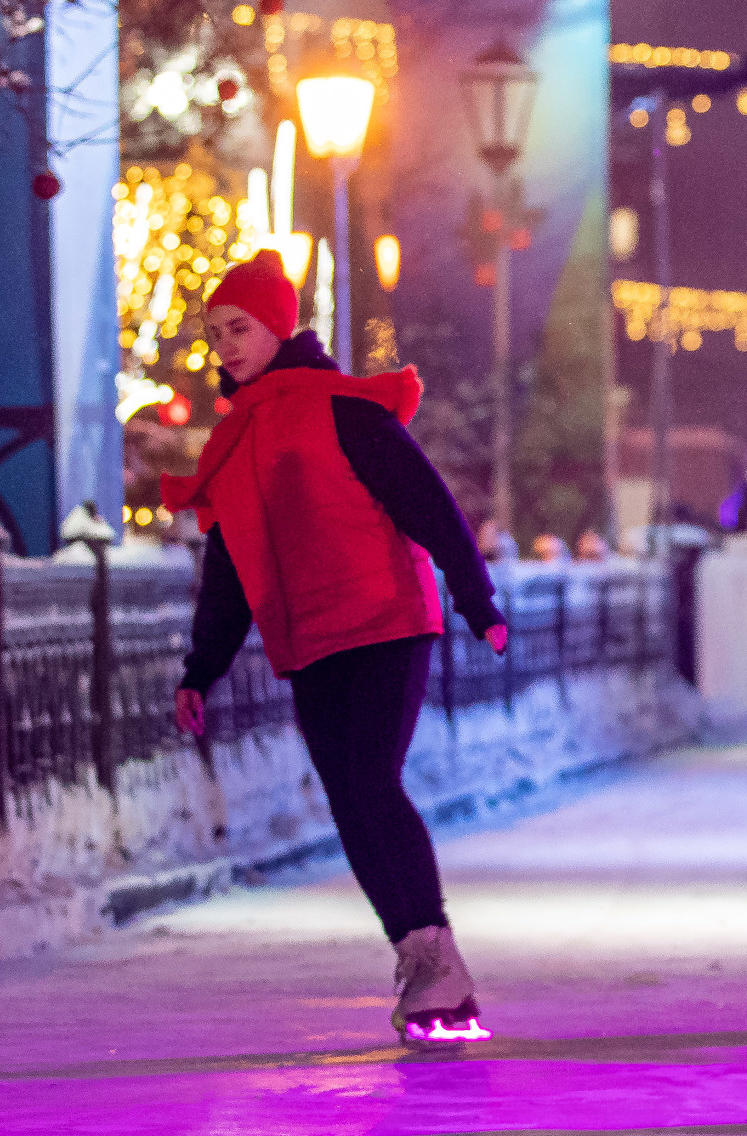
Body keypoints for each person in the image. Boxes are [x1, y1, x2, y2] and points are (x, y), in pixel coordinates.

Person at [163, 249, 509, 1043]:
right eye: (216, 333)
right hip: (310, 638)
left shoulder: (339, 409)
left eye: (240, 329)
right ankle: (422, 961)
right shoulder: (236, 438)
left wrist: (474, 596)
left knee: (370, 781)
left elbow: (425, 501)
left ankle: (437, 960)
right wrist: (201, 668)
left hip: (384, 618)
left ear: (280, 328)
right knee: (351, 801)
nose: (226, 346)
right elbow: (230, 567)